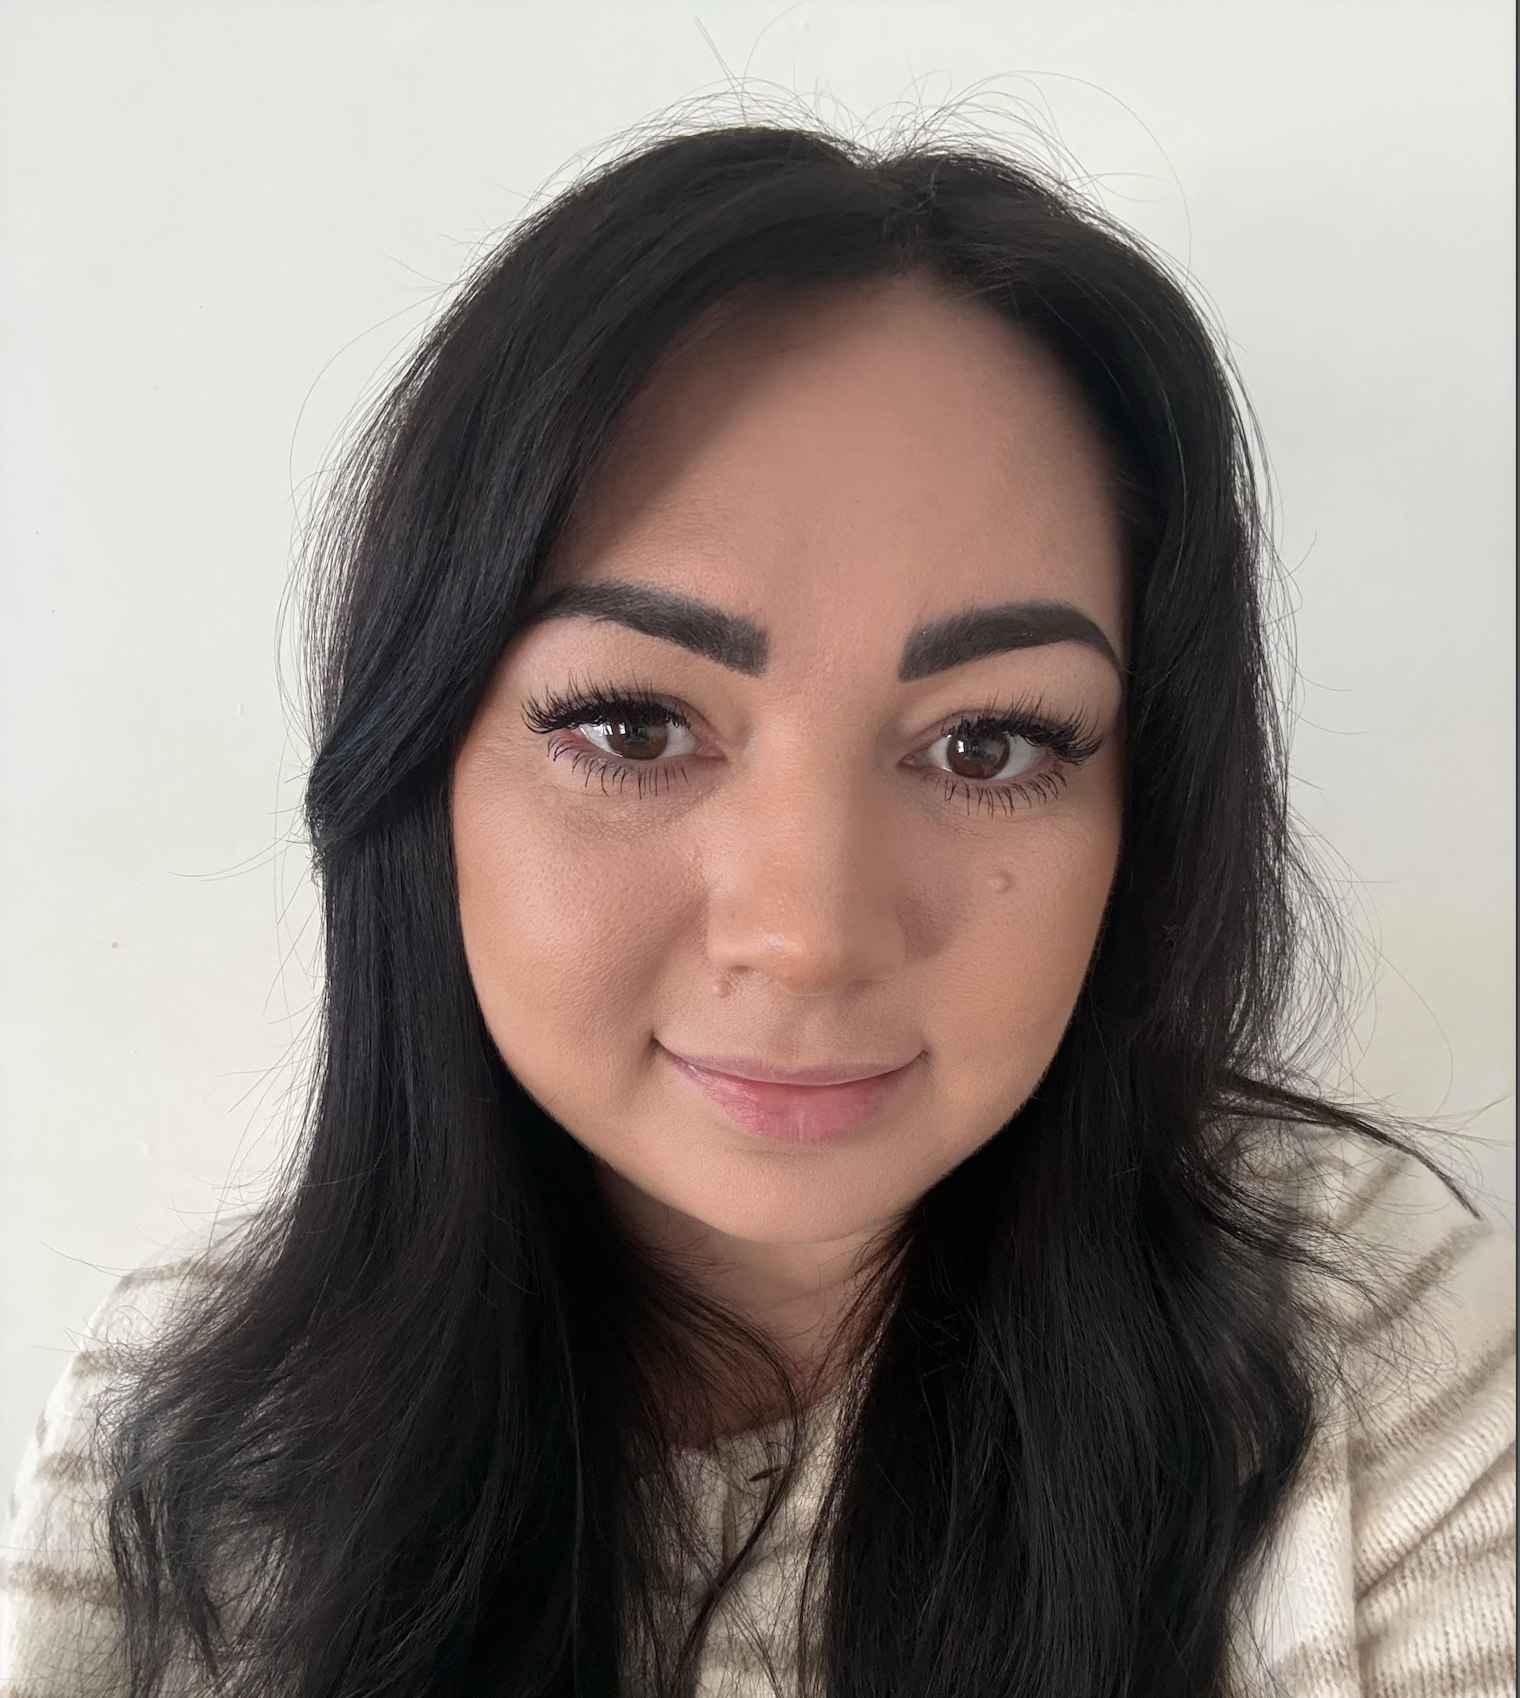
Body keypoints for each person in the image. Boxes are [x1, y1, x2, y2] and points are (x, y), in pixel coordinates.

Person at [0, 121, 1513, 1698]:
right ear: (420, 759)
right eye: (634, 726)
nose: (808, 932)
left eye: (989, 745)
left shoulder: (1363, 1364)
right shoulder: (175, 1426)